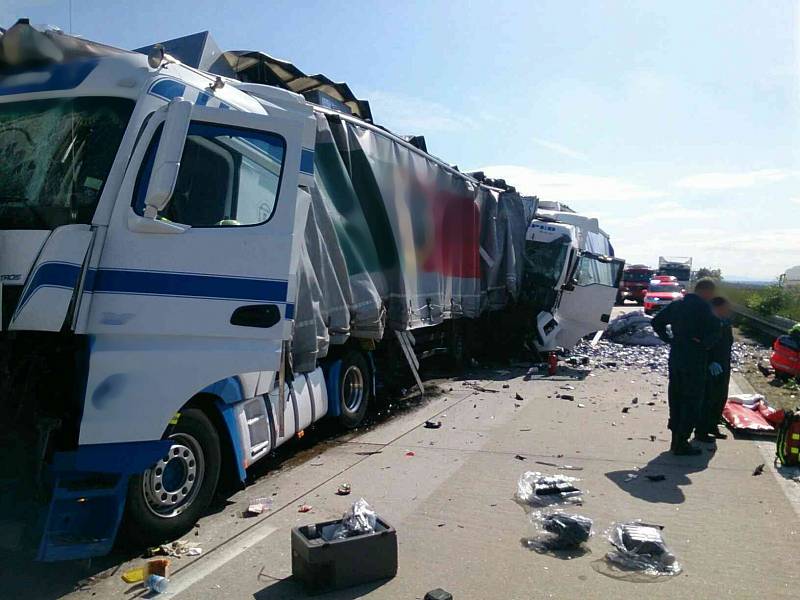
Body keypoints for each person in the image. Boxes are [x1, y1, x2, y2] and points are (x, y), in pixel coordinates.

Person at [652, 278, 719, 455]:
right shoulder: (705, 308)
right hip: (695, 359)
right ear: (706, 292)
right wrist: (704, 344)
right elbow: (716, 331)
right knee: (692, 400)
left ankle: (675, 440)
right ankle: (682, 443)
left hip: (676, 356)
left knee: (676, 397)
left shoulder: (677, 305)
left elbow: (656, 322)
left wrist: (669, 339)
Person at [697, 297, 734, 442]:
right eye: (725, 308)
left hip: (724, 363)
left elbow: (727, 342)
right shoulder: (708, 322)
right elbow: (704, 344)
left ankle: (713, 425)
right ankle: (701, 431)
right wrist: (710, 361)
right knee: (708, 398)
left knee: (720, 397)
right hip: (711, 365)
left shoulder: (725, 322)